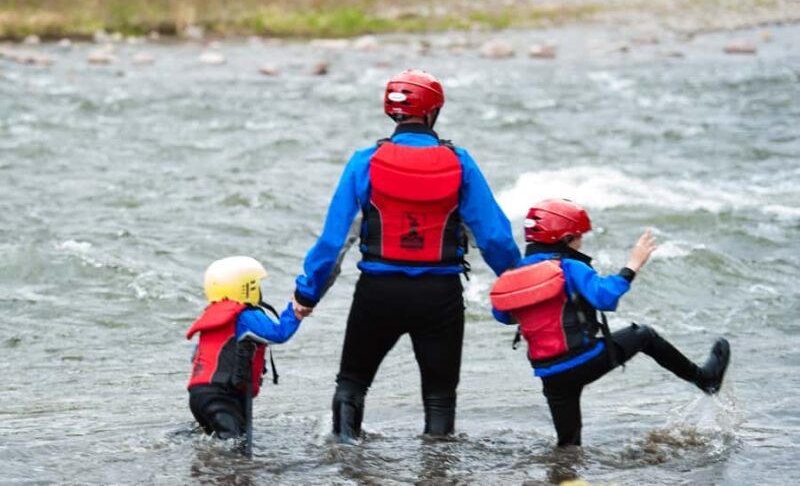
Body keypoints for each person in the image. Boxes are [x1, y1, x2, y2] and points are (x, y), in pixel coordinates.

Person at [292, 70, 520, 442]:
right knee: (440, 398)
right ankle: (437, 466)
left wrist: (308, 294)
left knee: (352, 383)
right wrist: (518, 284)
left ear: (391, 111)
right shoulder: (461, 163)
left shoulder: (364, 162)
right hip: (440, 297)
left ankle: (344, 458)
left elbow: (334, 241)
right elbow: (494, 238)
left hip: (377, 293)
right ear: (433, 111)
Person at [490, 198, 730, 447]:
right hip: (583, 360)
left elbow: (503, 315)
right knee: (644, 335)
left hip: (550, 374)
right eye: (579, 237)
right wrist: (633, 264)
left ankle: (564, 470)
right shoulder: (569, 266)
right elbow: (604, 297)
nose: (581, 242)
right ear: (566, 238)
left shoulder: (514, 273)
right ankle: (705, 379)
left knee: (568, 445)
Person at [187, 256, 304, 440]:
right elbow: (280, 333)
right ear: (247, 288)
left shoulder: (211, 316)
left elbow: (196, 357)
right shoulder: (245, 316)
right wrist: (295, 311)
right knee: (236, 446)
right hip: (223, 398)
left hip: (198, 396)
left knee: (219, 443)